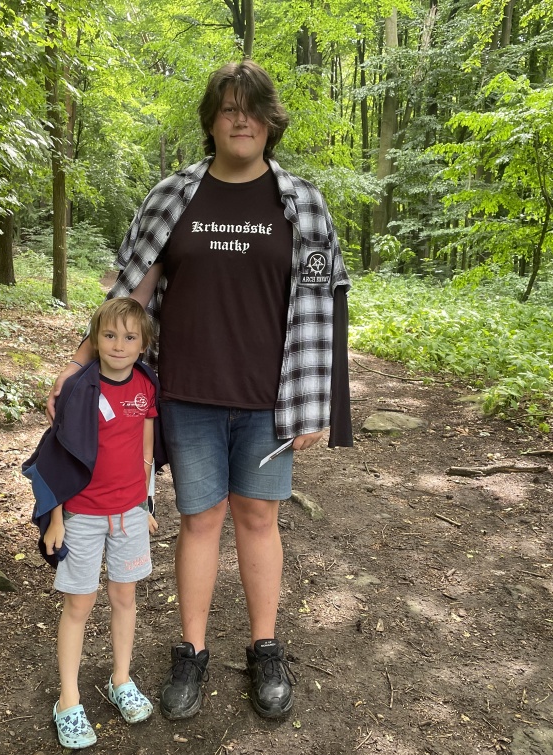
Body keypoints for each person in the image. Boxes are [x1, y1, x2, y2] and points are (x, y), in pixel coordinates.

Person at [48, 59, 352, 721]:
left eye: (252, 109)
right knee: (200, 520)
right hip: (187, 396)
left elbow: (326, 303)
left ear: (270, 122)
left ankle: (265, 649)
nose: (241, 120)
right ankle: (192, 651)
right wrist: (79, 362)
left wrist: (322, 403)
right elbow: (129, 297)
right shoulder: (173, 197)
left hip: (270, 401)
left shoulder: (302, 204)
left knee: (259, 519)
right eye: (227, 109)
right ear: (211, 122)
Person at [23, 297, 165, 749]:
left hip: (129, 515)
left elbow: (147, 451)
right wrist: (56, 518)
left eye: (129, 337)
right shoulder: (79, 388)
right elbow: (59, 456)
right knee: (78, 606)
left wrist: (146, 504)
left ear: (143, 344)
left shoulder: (146, 385)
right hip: (82, 515)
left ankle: (121, 679)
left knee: (125, 598)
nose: (119, 345)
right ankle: (68, 700)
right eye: (109, 335)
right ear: (95, 339)